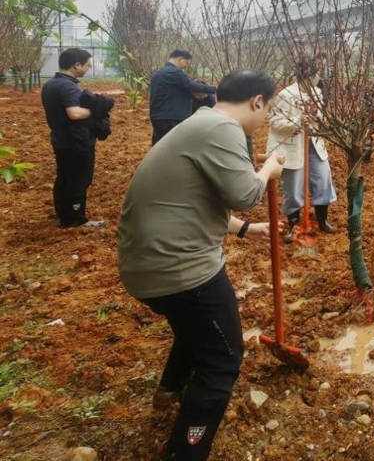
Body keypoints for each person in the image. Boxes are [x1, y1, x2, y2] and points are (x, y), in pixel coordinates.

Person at [117, 70, 284, 461]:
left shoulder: (200, 122)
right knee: (222, 359)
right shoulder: (224, 129)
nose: (265, 119)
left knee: (196, 330)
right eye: (268, 109)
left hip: (146, 264)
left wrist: (246, 230)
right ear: (257, 101)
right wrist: (269, 169)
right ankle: (186, 452)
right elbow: (245, 192)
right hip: (179, 270)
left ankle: (171, 388)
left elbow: (191, 201)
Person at [266, 59, 337, 240]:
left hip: (314, 144)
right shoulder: (286, 95)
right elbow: (274, 121)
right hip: (294, 145)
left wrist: (315, 115)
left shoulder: (318, 93)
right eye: (317, 73)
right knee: (294, 186)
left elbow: (321, 117)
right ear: (310, 75)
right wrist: (298, 121)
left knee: (322, 179)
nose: (319, 76)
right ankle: (292, 224)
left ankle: (322, 219)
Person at [40, 48, 109, 228]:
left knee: (64, 176)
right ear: (76, 65)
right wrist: (99, 109)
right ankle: (75, 219)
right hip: (74, 141)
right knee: (79, 178)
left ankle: (64, 214)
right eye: (87, 65)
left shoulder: (51, 84)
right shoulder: (67, 86)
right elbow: (75, 114)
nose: (88, 69)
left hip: (60, 138)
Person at [149, 49, 218, 145]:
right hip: (171, 117)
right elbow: (190, 85)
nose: (186, 66)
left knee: (159, 145)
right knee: (173, 145)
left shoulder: (158, 74)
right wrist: (215, 89)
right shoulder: (173, 73)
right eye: (186, 62)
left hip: (158, 116)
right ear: (180, 59)